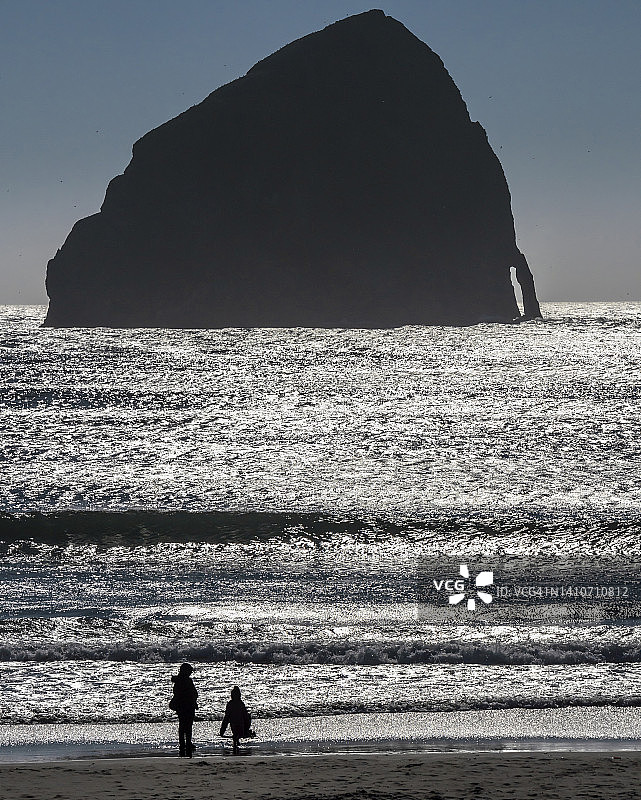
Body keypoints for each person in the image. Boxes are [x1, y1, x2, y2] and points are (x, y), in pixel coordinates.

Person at [170, 662, 198, 757]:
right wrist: (194, 702)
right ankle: (187, 743)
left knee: (182, 725)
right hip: (188, 706)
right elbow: (193, 693)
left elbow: (176, 693)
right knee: (188, 725)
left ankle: (183, 743)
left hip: (181, 706)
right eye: (190, 671)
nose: (191, 672)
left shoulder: (178, 681)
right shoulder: (187, 681)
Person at [219, 686, 253, 753]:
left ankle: (237, 737)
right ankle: (242, 734)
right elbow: (245, 717)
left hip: (234, 725)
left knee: (236, 729)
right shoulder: (241, 703)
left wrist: (222, 730)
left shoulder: (230, 704)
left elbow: (226, 718)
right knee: (248, 716)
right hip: (240, 725)